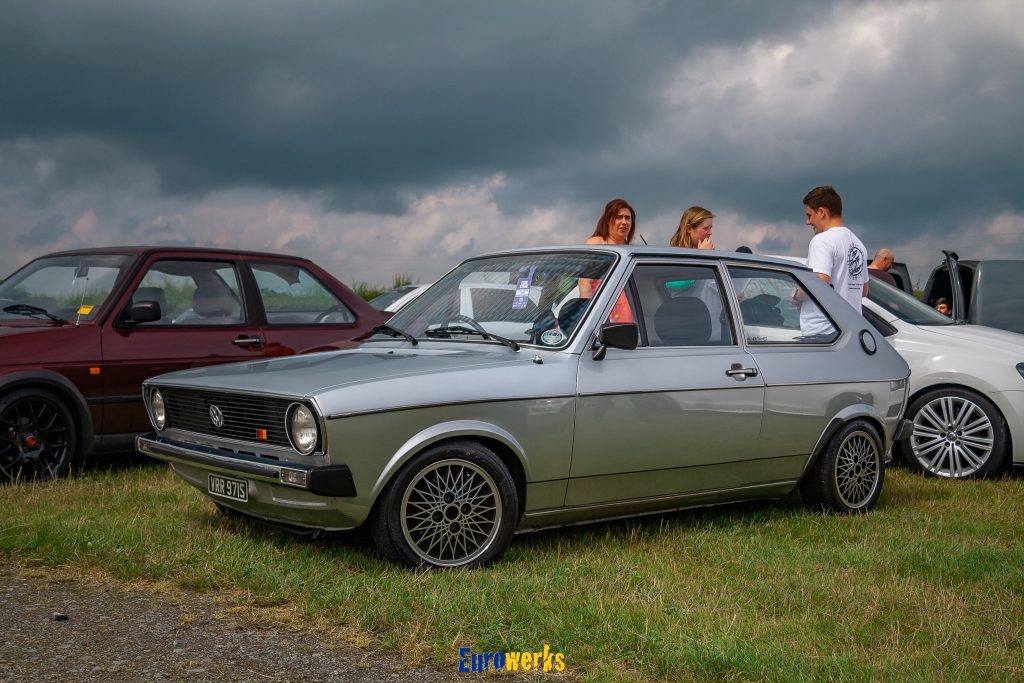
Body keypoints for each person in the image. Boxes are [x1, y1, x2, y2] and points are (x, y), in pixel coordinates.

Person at [794, 186, 869, 336]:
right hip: (852, 330)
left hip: (822, 332)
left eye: (809, 215)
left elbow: (819, 283)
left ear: (821, 212)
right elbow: (864, 290)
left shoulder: (822, 241)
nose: (807, 222)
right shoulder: (858, 244)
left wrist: (796, 295)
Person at [580, 198, 635, 322]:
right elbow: (584, 282)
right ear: (608, 220)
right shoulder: (596, 244)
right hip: (602, 308)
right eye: (619, 217)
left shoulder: (632, 249)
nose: (624, 222)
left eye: (627, 218)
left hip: (629, 307)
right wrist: (586, 316)